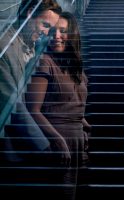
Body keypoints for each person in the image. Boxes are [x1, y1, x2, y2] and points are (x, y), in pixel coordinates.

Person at [26, 11, 91, 200]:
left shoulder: (75, 67)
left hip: (78, 141)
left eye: (63, 31)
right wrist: (58, 140)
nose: (57, 36)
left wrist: (83, 124)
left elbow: (69, 102)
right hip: (57, 141)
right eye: (53, 30)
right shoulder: (44, 62)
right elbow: (33, 110)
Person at [0, 0, 62, 162]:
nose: (47, 33)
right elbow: (12, 105)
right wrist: (43, 145)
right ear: (29, 15)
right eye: (45, 25)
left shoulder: (37, 46)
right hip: (12, 146)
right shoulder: (4, 47)